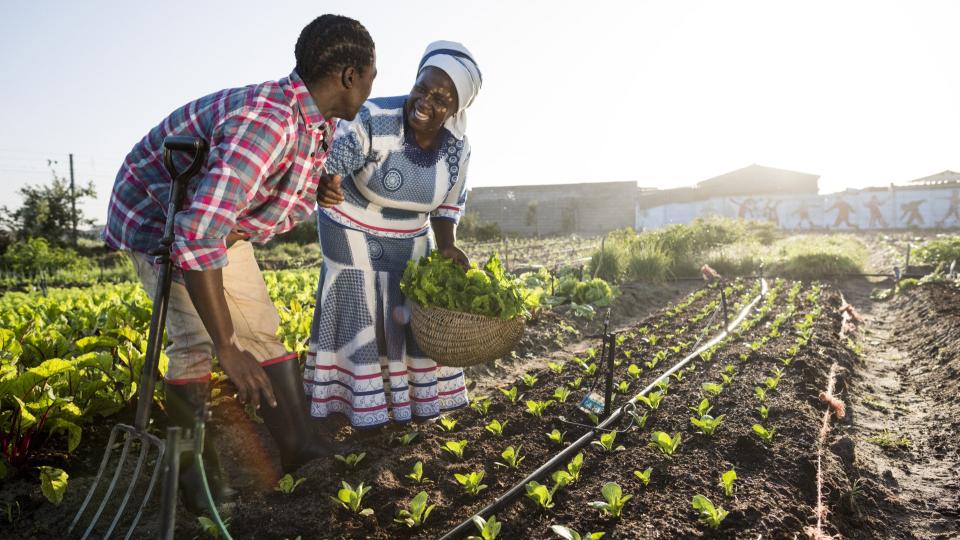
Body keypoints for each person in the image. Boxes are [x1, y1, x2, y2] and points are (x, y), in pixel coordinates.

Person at [102, 15, 376, 511]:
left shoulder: (318, 120)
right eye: (373, 72)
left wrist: (314, 188)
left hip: (221, 221)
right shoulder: (267, 122)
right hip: (160, 219)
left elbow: (249, 195)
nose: (376, 82)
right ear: (350, 76)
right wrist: (227, 347)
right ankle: (196, 483)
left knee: (262, 328)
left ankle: (301, 448)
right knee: (197, 341)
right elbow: (194, 232)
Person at [305, 41, 481, 428]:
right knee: (360, 295)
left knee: (411, 305)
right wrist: (327, 180)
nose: (425, 101)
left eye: (441, 98)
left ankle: (403, 406)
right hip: (349, 218)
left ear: (454, 109)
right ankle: (351, 407)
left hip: (411, 233)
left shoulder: (458, 148)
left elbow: (450, 202)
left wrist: (448, 245)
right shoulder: (375, 115)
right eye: (423, 87)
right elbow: (338, 156)